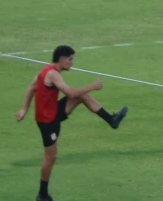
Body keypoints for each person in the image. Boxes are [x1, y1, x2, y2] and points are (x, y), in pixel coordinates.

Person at [15, 45, 128, 201]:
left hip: (53, 112)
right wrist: (92, 86)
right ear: (61, 59)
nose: (72, 63)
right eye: (70, 59)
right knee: (50, 158)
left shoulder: (45, 70)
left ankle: (111, 120)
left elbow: (31, 88)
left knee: (83, 96)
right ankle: (42, 194)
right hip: (49, 120)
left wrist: (24, 109)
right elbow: (70, 93)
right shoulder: (53, 74)